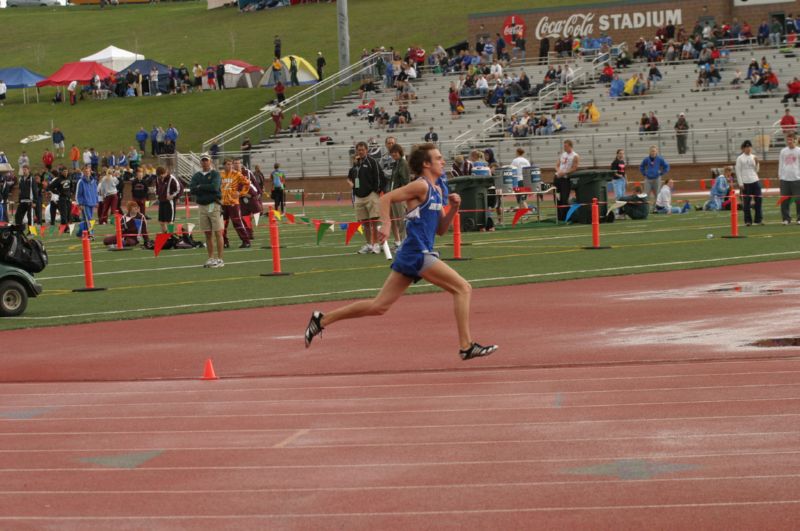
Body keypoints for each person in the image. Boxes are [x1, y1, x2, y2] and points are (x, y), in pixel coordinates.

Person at [304, 143, 498, 361]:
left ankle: (321, 320)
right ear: (426, 164)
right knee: (463, 288)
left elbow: (442, 230)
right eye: (439, 158)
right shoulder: (421, 186)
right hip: (417, 252)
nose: (443, 161)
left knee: (379, 306)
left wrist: (453, 208)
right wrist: (385, 225)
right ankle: (466, 346)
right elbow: (386, 198)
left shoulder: (437, 189)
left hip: (416, 252)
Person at [190, 154, 224, 268]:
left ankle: (220, 259)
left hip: (214, 205)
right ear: (200, 162)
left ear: (210, 162)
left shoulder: (215, 174)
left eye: (206, 160)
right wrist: (205, 187)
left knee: (218, 232)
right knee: (207, 233)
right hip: (202, 206)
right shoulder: (196, 175)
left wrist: (200, 187)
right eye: (203, 160)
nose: (204, 162)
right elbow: (192, 190)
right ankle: (211, 257)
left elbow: (215, 187)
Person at [349, 141, 383, 254]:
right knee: (365, 223)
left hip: (371, 195)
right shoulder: (356, 163)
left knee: (374, 222)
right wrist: (353, 187)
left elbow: (379, 176)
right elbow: (351, 177)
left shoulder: (372, 161)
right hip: (359, 196)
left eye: (363, 149)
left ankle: (376, 244)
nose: (361, 151)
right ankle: (369, 244)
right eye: (359, 150)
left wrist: (376, 191)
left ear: (367, 150)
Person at [220, 158, 251, 249]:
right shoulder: (220, 175)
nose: (230, 166)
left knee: (237, 222)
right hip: (223, 203)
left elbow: (247, 183)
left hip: (233, 203)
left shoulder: (237, 174)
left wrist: (240, 193)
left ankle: (246, 241)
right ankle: (225, 242)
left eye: (231, 164)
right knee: (222, 224)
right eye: (228, 164)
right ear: (224, 165)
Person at [736, 139, 763, 226]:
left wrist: (757, 163)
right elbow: (738, 171)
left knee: (758, 201)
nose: (748, 149)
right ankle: (748, 221)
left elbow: (757, 170)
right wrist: (740, 184)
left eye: (749, 147)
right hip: (745, 183)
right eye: (746, 147)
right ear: (743, 148)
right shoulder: (740, 158)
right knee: (746, 203)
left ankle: (758, 220)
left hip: (755, 181)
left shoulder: (754, 157)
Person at [388, 143, 410, 248]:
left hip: (401, 196)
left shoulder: (403, 163)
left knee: (402, 221)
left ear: (400, 152)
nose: (394, 154)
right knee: (398, 222)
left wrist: (401, 194)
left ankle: (405, 245)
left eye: (395, 152)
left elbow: (406, 181)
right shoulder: (396, 164)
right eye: (392, 153)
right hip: (395, 195)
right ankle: (402, 243)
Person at [554, 139, 579, 222]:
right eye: (564, 146)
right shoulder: (563, 154)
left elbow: (574, 168)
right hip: (557, 178)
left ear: (570, 146)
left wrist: (564, 172)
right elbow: (557, 165)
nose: (564, 147)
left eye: (566, 146)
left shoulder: (575, 156)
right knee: (557, 197)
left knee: (564, 198)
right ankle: (558, 216)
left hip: (565, 179)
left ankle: (565, 216)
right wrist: (558, 171)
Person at [779, 132, 800, 224]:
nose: (789, 141)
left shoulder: (799, 151)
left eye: (791, 139)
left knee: (798, 200)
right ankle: (786, 219)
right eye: (788, 139)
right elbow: (781, 164)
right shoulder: (783, 151)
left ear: (795, 140)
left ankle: (799, 218)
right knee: (784, 200)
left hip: (797, 178)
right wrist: (780, 175)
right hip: (785, 179)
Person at [155, 166, 181, 234]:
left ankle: (171, 235)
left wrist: (173, 196)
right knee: (161, 221)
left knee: (170, 221)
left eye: (162, 175)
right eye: (159, 176)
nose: (161, 177)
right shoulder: (158, 179)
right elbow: (157, 188)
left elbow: (179, 189)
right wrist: (157, 194)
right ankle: (165, 235)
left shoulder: (172, 179)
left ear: (165, 172)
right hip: (161, 201)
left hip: (169, 202)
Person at [75, 165, 98, 237]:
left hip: (92, 202)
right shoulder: (81, 181)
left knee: (87, 219)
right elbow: (78, 194)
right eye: (85, 171)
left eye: (88, 170)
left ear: (90, 171)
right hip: (85, 203)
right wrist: (80, 203)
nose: (87, 172)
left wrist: (96, 201)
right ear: (83, 172)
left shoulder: (93, 181)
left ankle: (80, 233)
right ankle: (90, 233)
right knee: (89, 219)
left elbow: (95, 191)